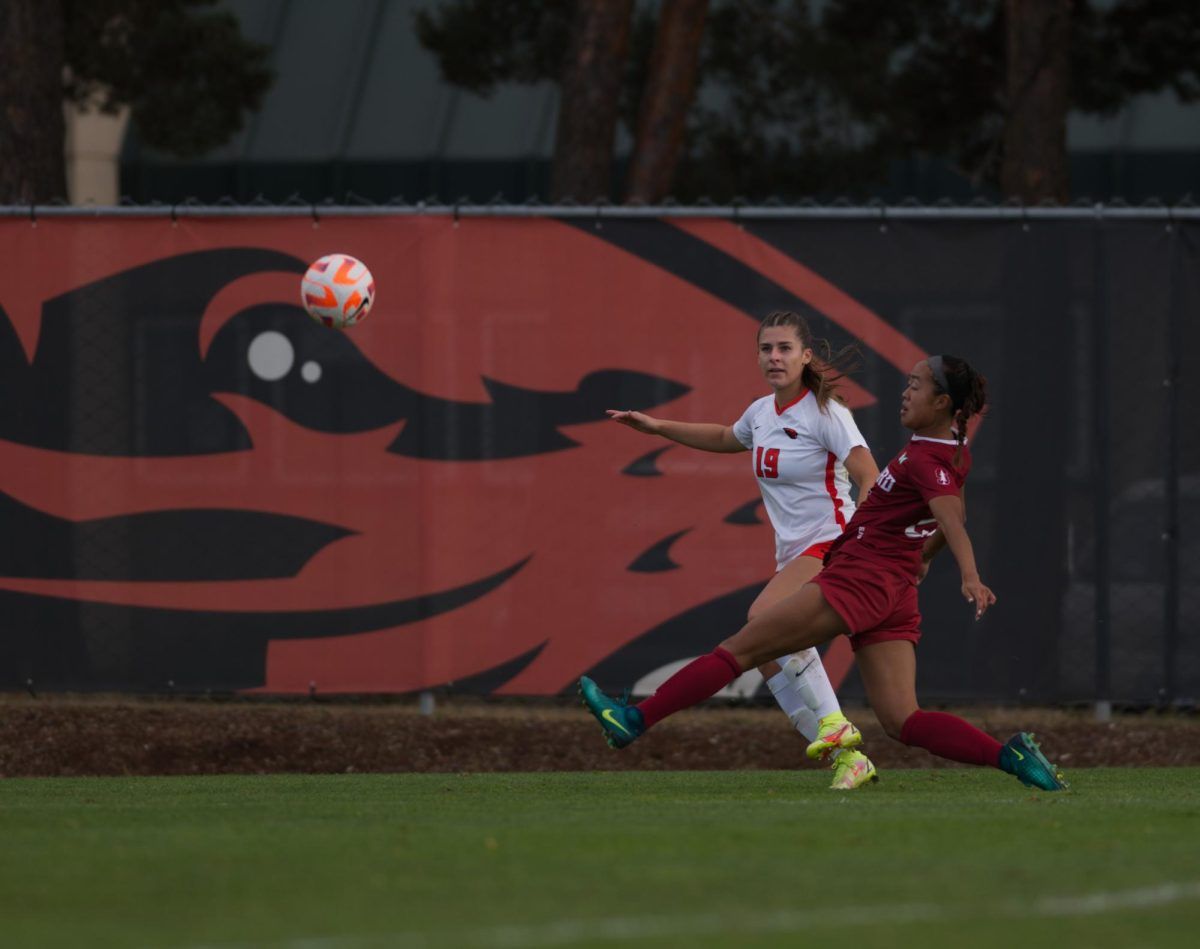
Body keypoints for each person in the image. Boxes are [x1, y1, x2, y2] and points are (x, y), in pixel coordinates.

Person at [583, 354, 1069, 792]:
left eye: (917, 385)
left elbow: (952, 518)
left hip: (860, 580)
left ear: (943, 401)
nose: (906, 391)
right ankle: (1010, 756)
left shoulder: (924, 457)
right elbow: (951, 508)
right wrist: (923, 558)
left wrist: (969, 575)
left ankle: (634, 719)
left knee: (742, 648)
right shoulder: (948, 451)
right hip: (892, 589)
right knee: (903, 720)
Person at [606, 310, 881, 790]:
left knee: (763, 620)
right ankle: (844, 757)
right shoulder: (761, 413)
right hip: (794, 554)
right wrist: (655, 427)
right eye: (766, 349)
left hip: (831, 543)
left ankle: (838, 731)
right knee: (769, 651)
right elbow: (723, 437)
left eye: (784, 348)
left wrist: (860, 537)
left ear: (806, 356)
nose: (774, 357)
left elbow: (868, 475)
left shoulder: (827, 413)